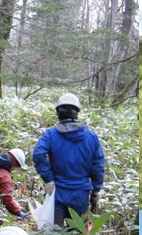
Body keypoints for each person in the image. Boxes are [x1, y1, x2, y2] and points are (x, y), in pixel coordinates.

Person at [32, 93, 105, 225]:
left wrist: (48, 179)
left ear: (58, 113)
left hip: (57, 193)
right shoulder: (91, 136)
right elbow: (98, 164)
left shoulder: (50, 134)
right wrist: (96, 189)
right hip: (80, 195)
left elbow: (38, 155)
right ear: (76, 113)